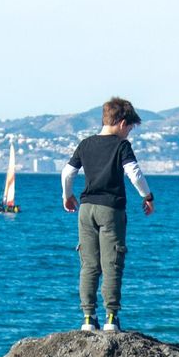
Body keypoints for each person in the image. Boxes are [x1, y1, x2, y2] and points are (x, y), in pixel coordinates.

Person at [61, 97, 155, 331]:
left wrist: (67, 195)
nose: (129, 133)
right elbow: (134, 173)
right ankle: (111, 318)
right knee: (112, 262)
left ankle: (88, 318)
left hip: (86, 210)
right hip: (111, 210)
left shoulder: (85, 144)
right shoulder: (121, 146)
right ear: (122, 123)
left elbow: (67, 173)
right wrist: (147, 196)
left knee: (89, 264)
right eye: (130, 128)